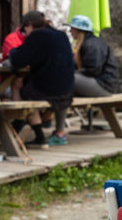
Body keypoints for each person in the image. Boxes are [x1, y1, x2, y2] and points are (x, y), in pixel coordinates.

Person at [7, 10, 74, 147]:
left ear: (29, 25)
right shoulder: (61, 35)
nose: (24, 33)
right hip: (67, 90)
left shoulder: (37, 35)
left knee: (22, 89)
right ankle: (20, 127)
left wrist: (12, 51)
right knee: (27, 86)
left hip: (50, 90)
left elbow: (18, 61)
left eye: (24, 30)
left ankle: (35, 134)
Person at [68, 15, 118, 97]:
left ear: (78, 30)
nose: (70, 31)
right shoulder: (86, 42)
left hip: (104, 86)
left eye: (72, 29)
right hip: (97, 82)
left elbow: (94, 70)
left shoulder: (92, 44)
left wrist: (73, 73)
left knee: (65, 79)